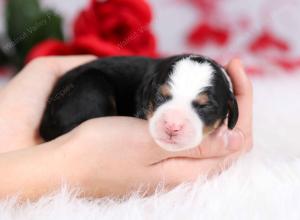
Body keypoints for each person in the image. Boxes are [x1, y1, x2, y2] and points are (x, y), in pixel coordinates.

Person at [0, 56, 252, 200]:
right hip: (81, 94)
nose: (174, 124)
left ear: (228, 113)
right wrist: (72, 161)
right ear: (150, 94)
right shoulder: (146, 84)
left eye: (202, 108)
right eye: (164, 99)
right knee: (91, 85)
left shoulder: (222, 105)